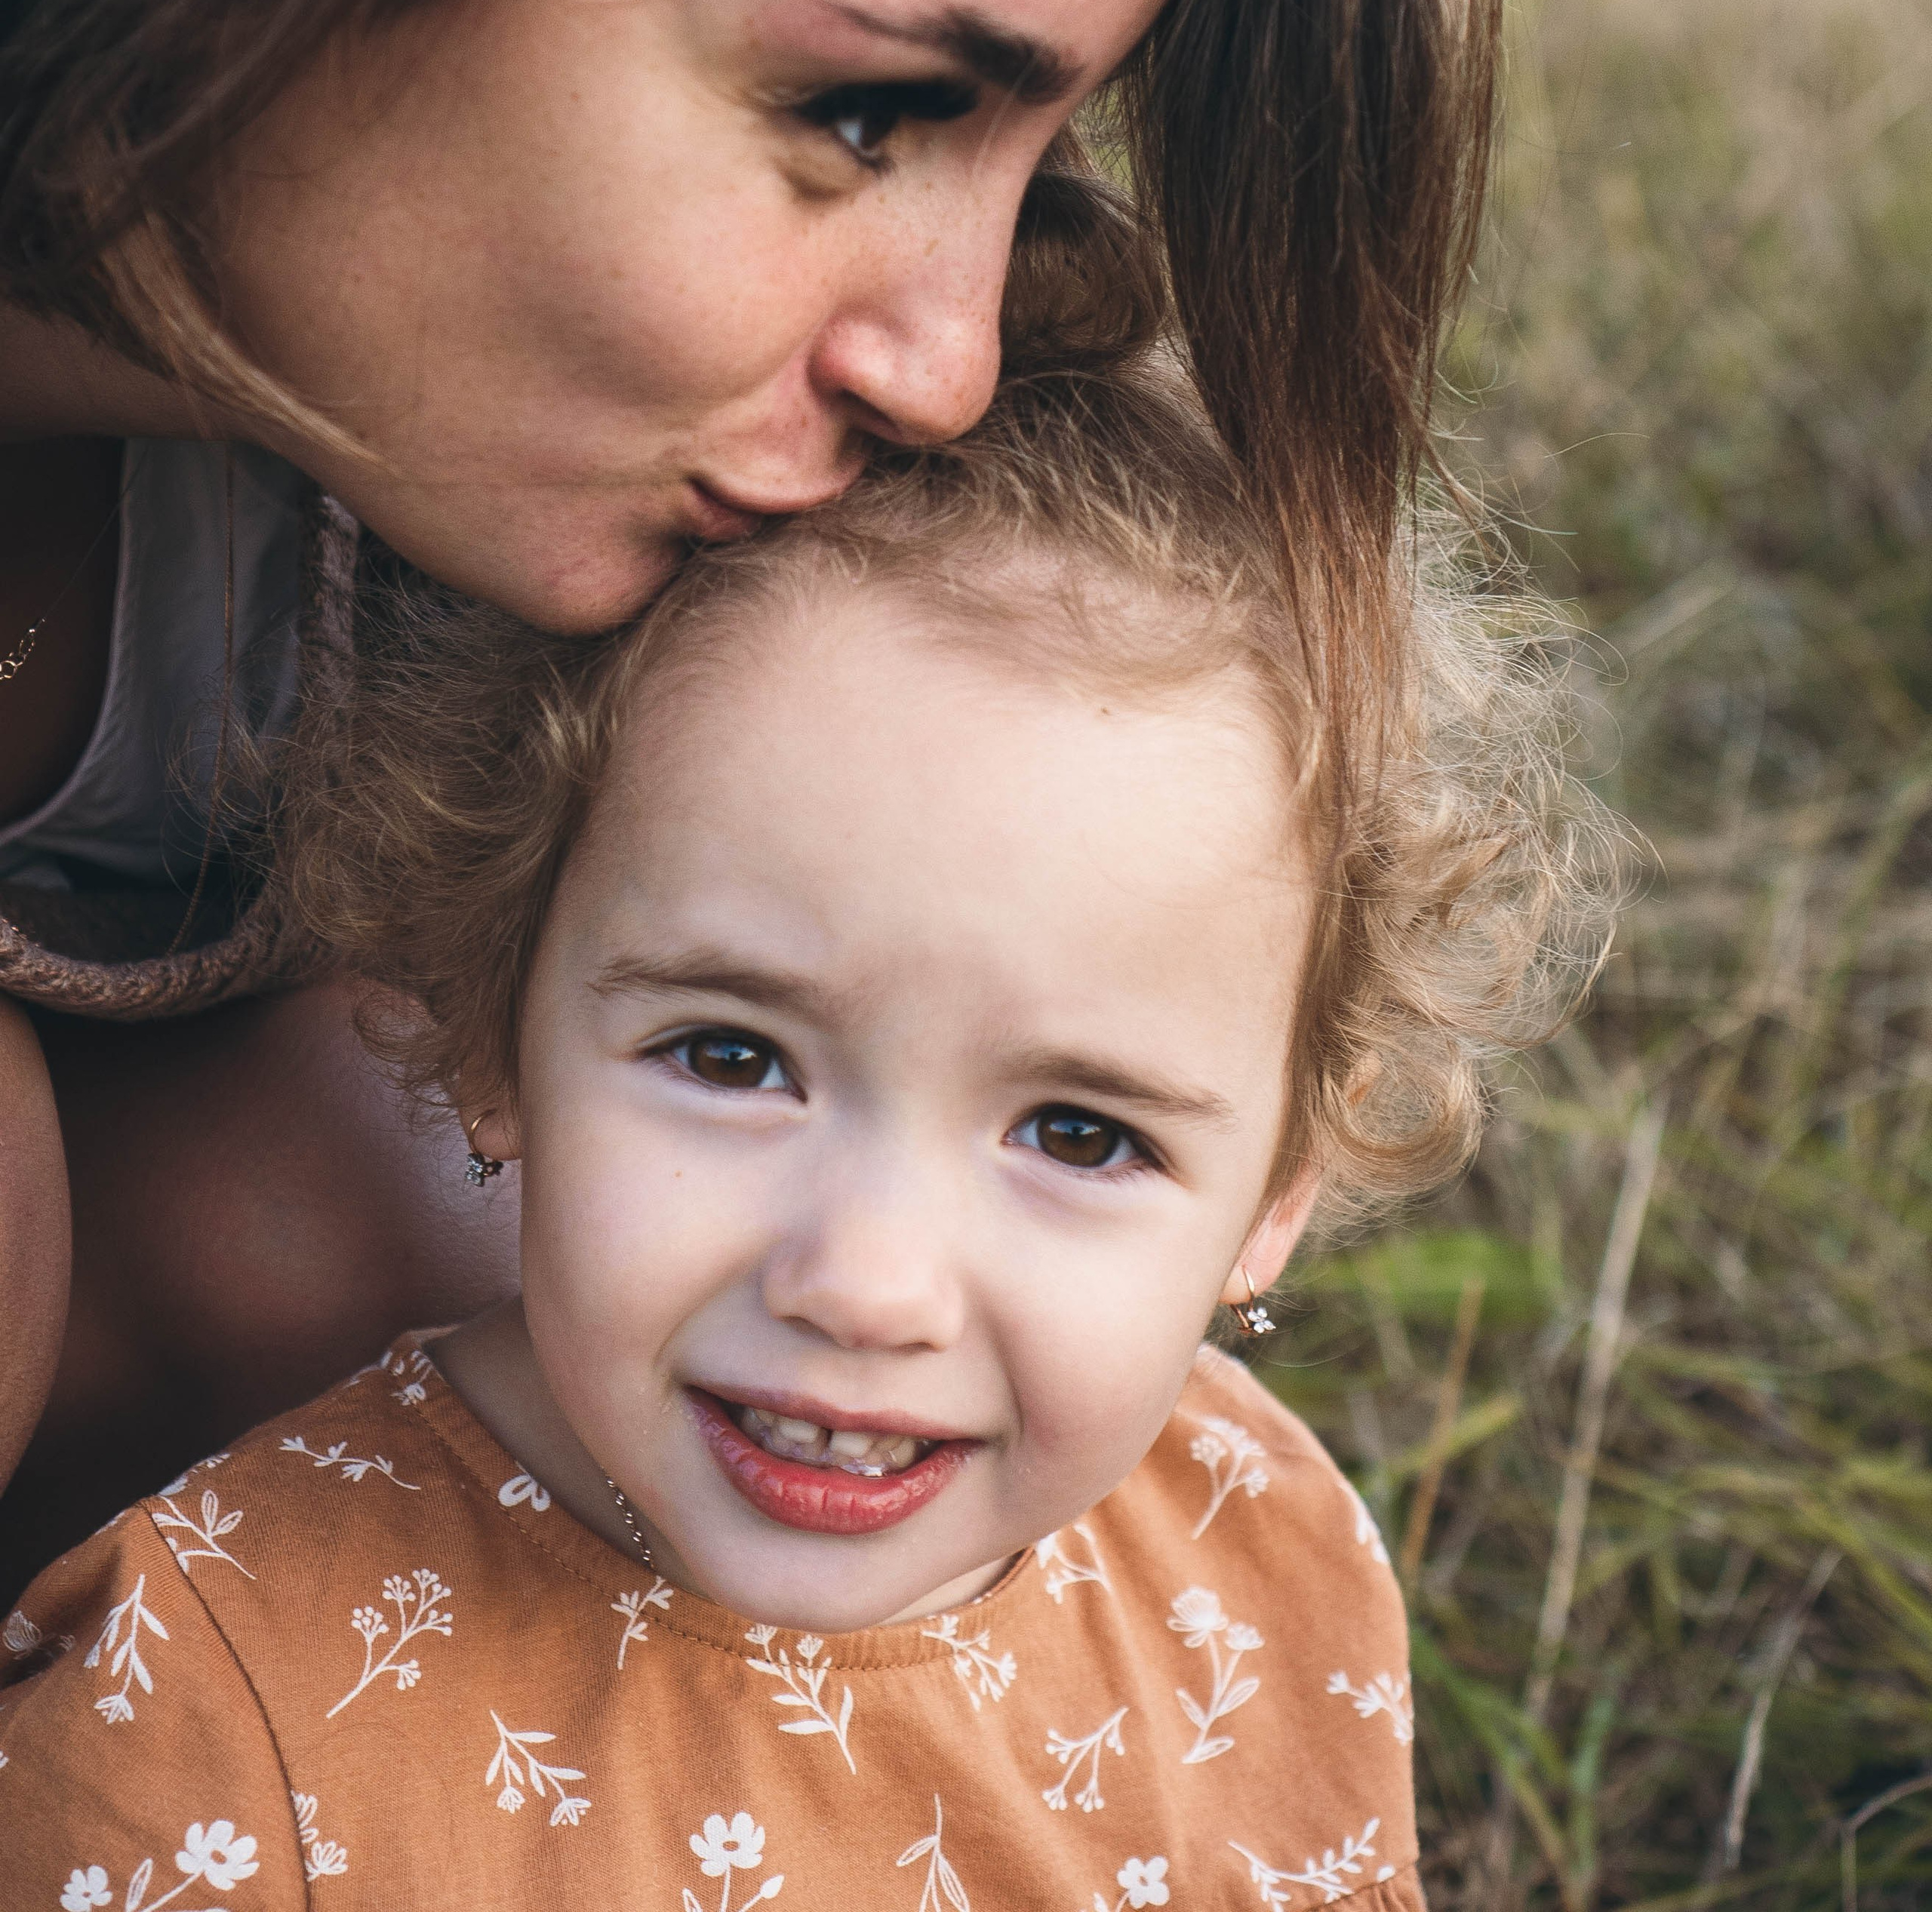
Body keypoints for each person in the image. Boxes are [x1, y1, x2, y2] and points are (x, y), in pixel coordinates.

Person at [0, 0, 1510, 1583]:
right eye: (863, 114)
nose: (946, 359)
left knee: (546, 1214)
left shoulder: (444, 504)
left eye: (1041, 149)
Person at [0, 349, 1607, 1906]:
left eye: (1075, 1135)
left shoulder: (1261, 1564)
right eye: (729, 1054)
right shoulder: (203, 1729)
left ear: (1270, 1197)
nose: (867, 1284)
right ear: (490, 1023)